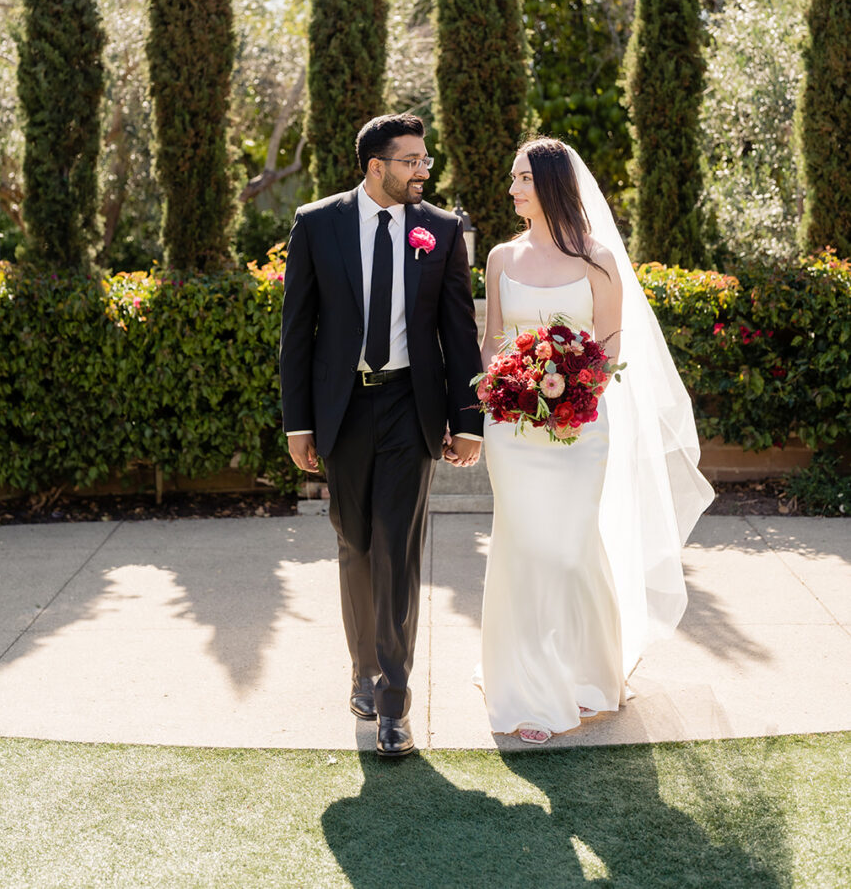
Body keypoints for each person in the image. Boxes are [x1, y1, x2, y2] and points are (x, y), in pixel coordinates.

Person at [478, 137, 714, 743]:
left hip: (580, 428)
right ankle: (530, 688)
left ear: (553, 184)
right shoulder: (501, 258)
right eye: (513, 178)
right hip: (512, 428)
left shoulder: (598, 260)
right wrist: (510, 386)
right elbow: (493, 344)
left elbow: (610, 345)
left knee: (567, 548)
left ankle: (587, 675)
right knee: (523, 546)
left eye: (524, 178)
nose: (513, 189)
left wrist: (572, 393)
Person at [280, 113, 483, 758]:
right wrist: (299, 422)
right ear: (377, 167)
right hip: (343, 411)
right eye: (413, 160)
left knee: (397, 549)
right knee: (355, 543)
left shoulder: (441, 231)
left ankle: (395, 702)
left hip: (409, 407)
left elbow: (458, 331)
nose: (425, 170)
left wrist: (468, 420)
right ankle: (362, 667)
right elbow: (298, 331)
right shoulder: (317, 224)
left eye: (426, 160)